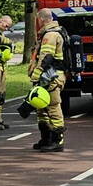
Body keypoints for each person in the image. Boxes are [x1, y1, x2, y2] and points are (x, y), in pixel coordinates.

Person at [27, 8, 66, 151]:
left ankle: (57, 141)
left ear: (41, 19)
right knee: (41, 108)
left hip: (51, 77)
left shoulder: (50, 35)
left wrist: (37, 74)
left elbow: (47, 57)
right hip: (47, 76)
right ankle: (46, 138)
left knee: (53, 107)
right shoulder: (49, 33)